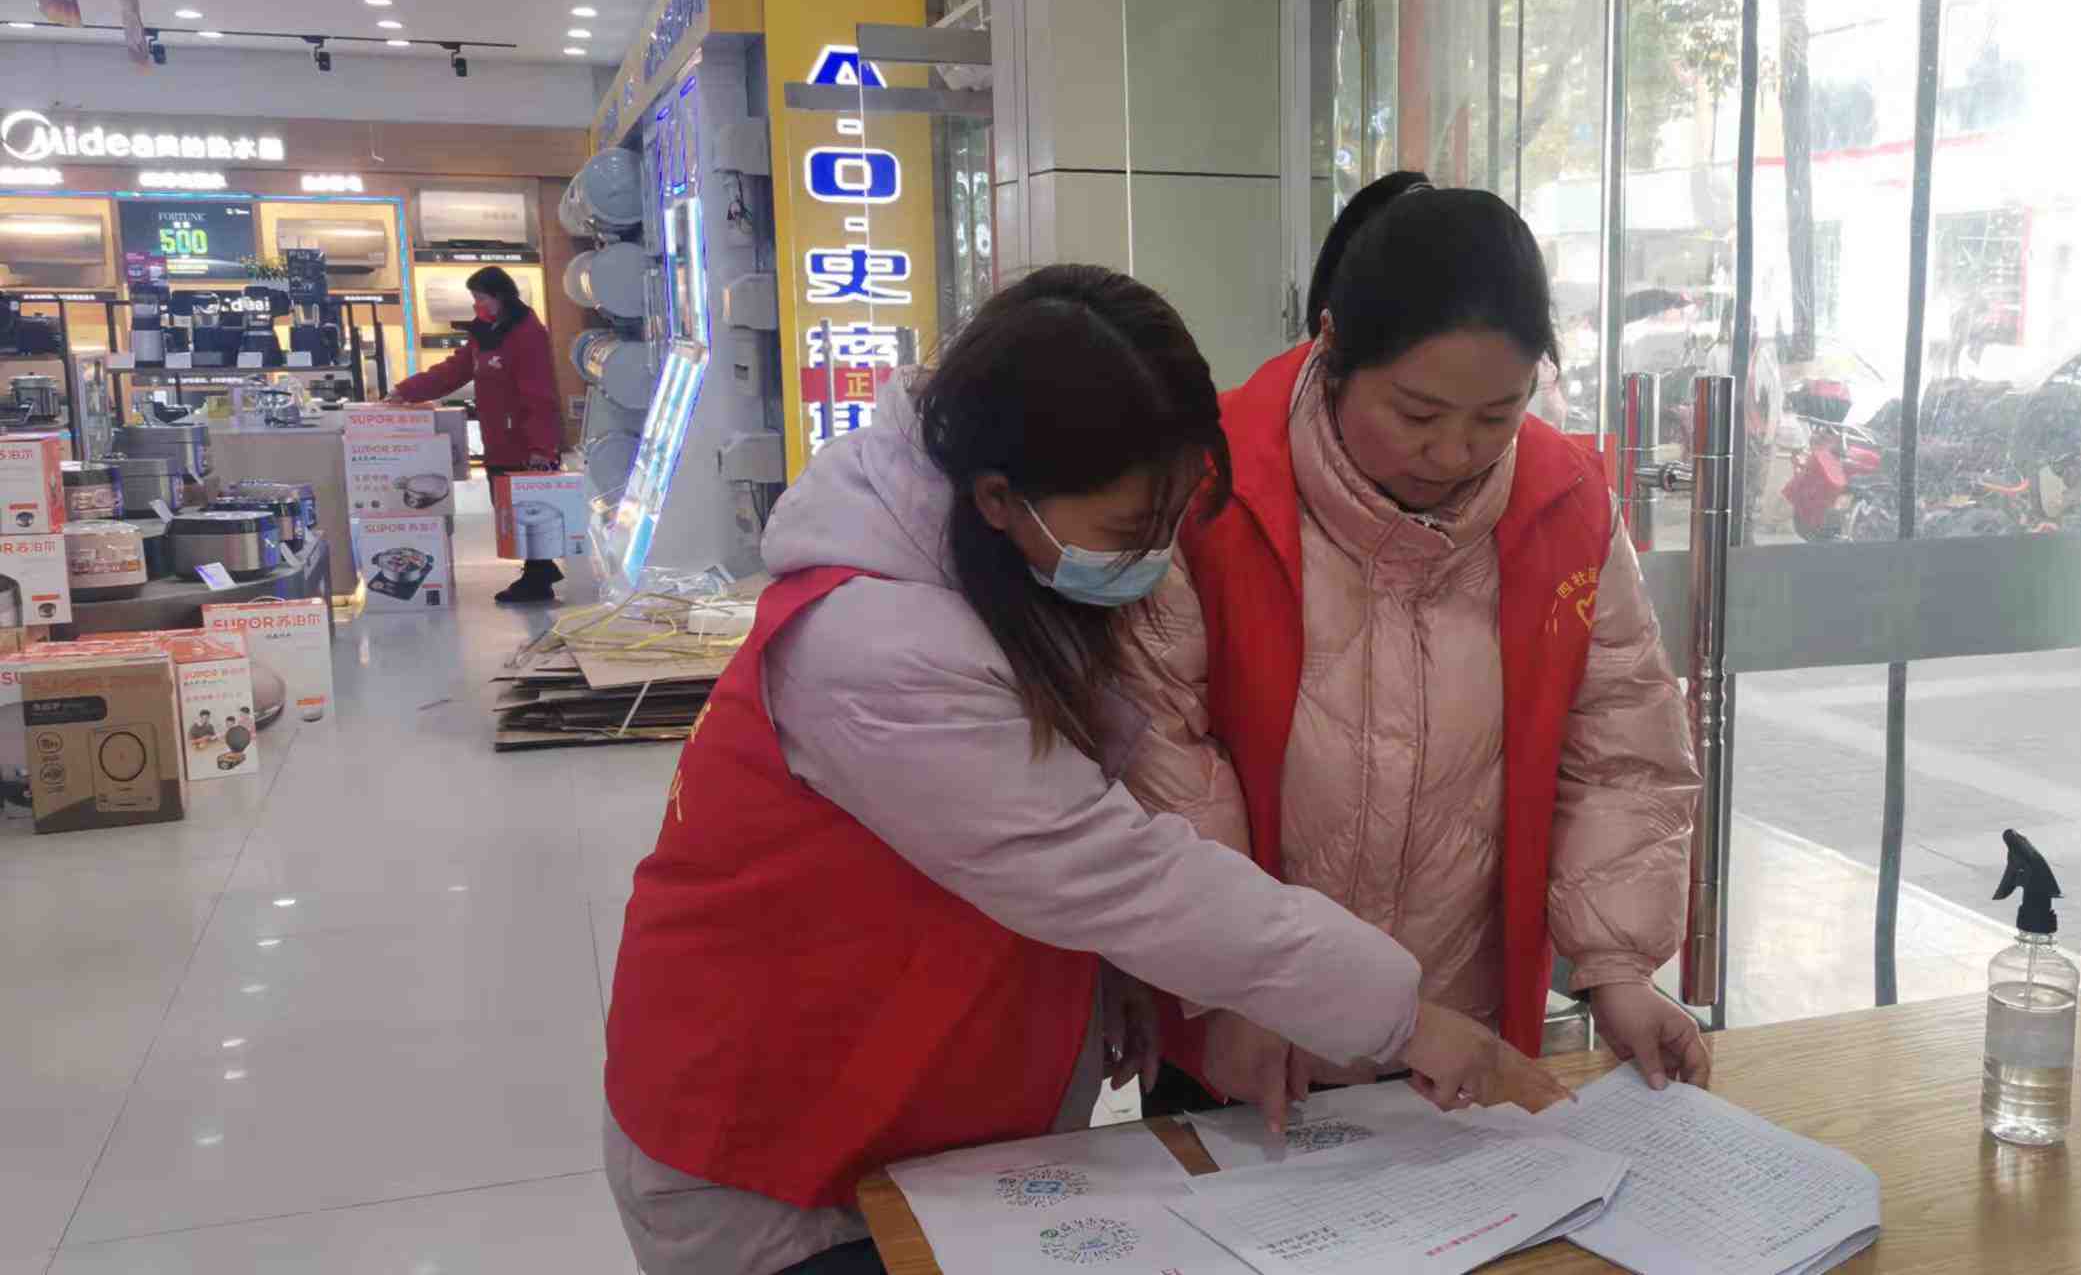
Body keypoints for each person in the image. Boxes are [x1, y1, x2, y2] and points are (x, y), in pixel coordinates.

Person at [601, 265, 1561, 1275]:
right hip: (777, 1147)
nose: (1153, 559)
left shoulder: (1004, 561)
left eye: (1170, 522)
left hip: (924, 1103)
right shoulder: (875, 648)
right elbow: (1118, 869)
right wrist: (1403, 1017)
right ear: (999, 496)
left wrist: (1113, 988)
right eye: (1126, 534)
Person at [1121, 173, 1710, 1121]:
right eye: (1418, 414)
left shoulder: (1567, 510)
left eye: (1496, 416)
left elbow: (1624, 753)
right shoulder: (1212, 486)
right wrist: (1235, 981)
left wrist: (1617, 967)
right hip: (1244, 1034)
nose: (1454, 453)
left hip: (1462, 1044)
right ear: (1331, 349)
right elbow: (1161, 759)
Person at [386, 265, 565, 604]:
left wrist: (541, 447)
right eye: (474, 298)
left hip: (523, 442)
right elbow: (453, 371)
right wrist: (406, 390)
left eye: (481, 298)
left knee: (526, 510)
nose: (476, 305)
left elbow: (539, 394)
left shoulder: (528, 334)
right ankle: (540, 571)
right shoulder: (485, 333)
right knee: (508, 507)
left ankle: (538, 578)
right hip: (497, 438)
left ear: (500, 297)